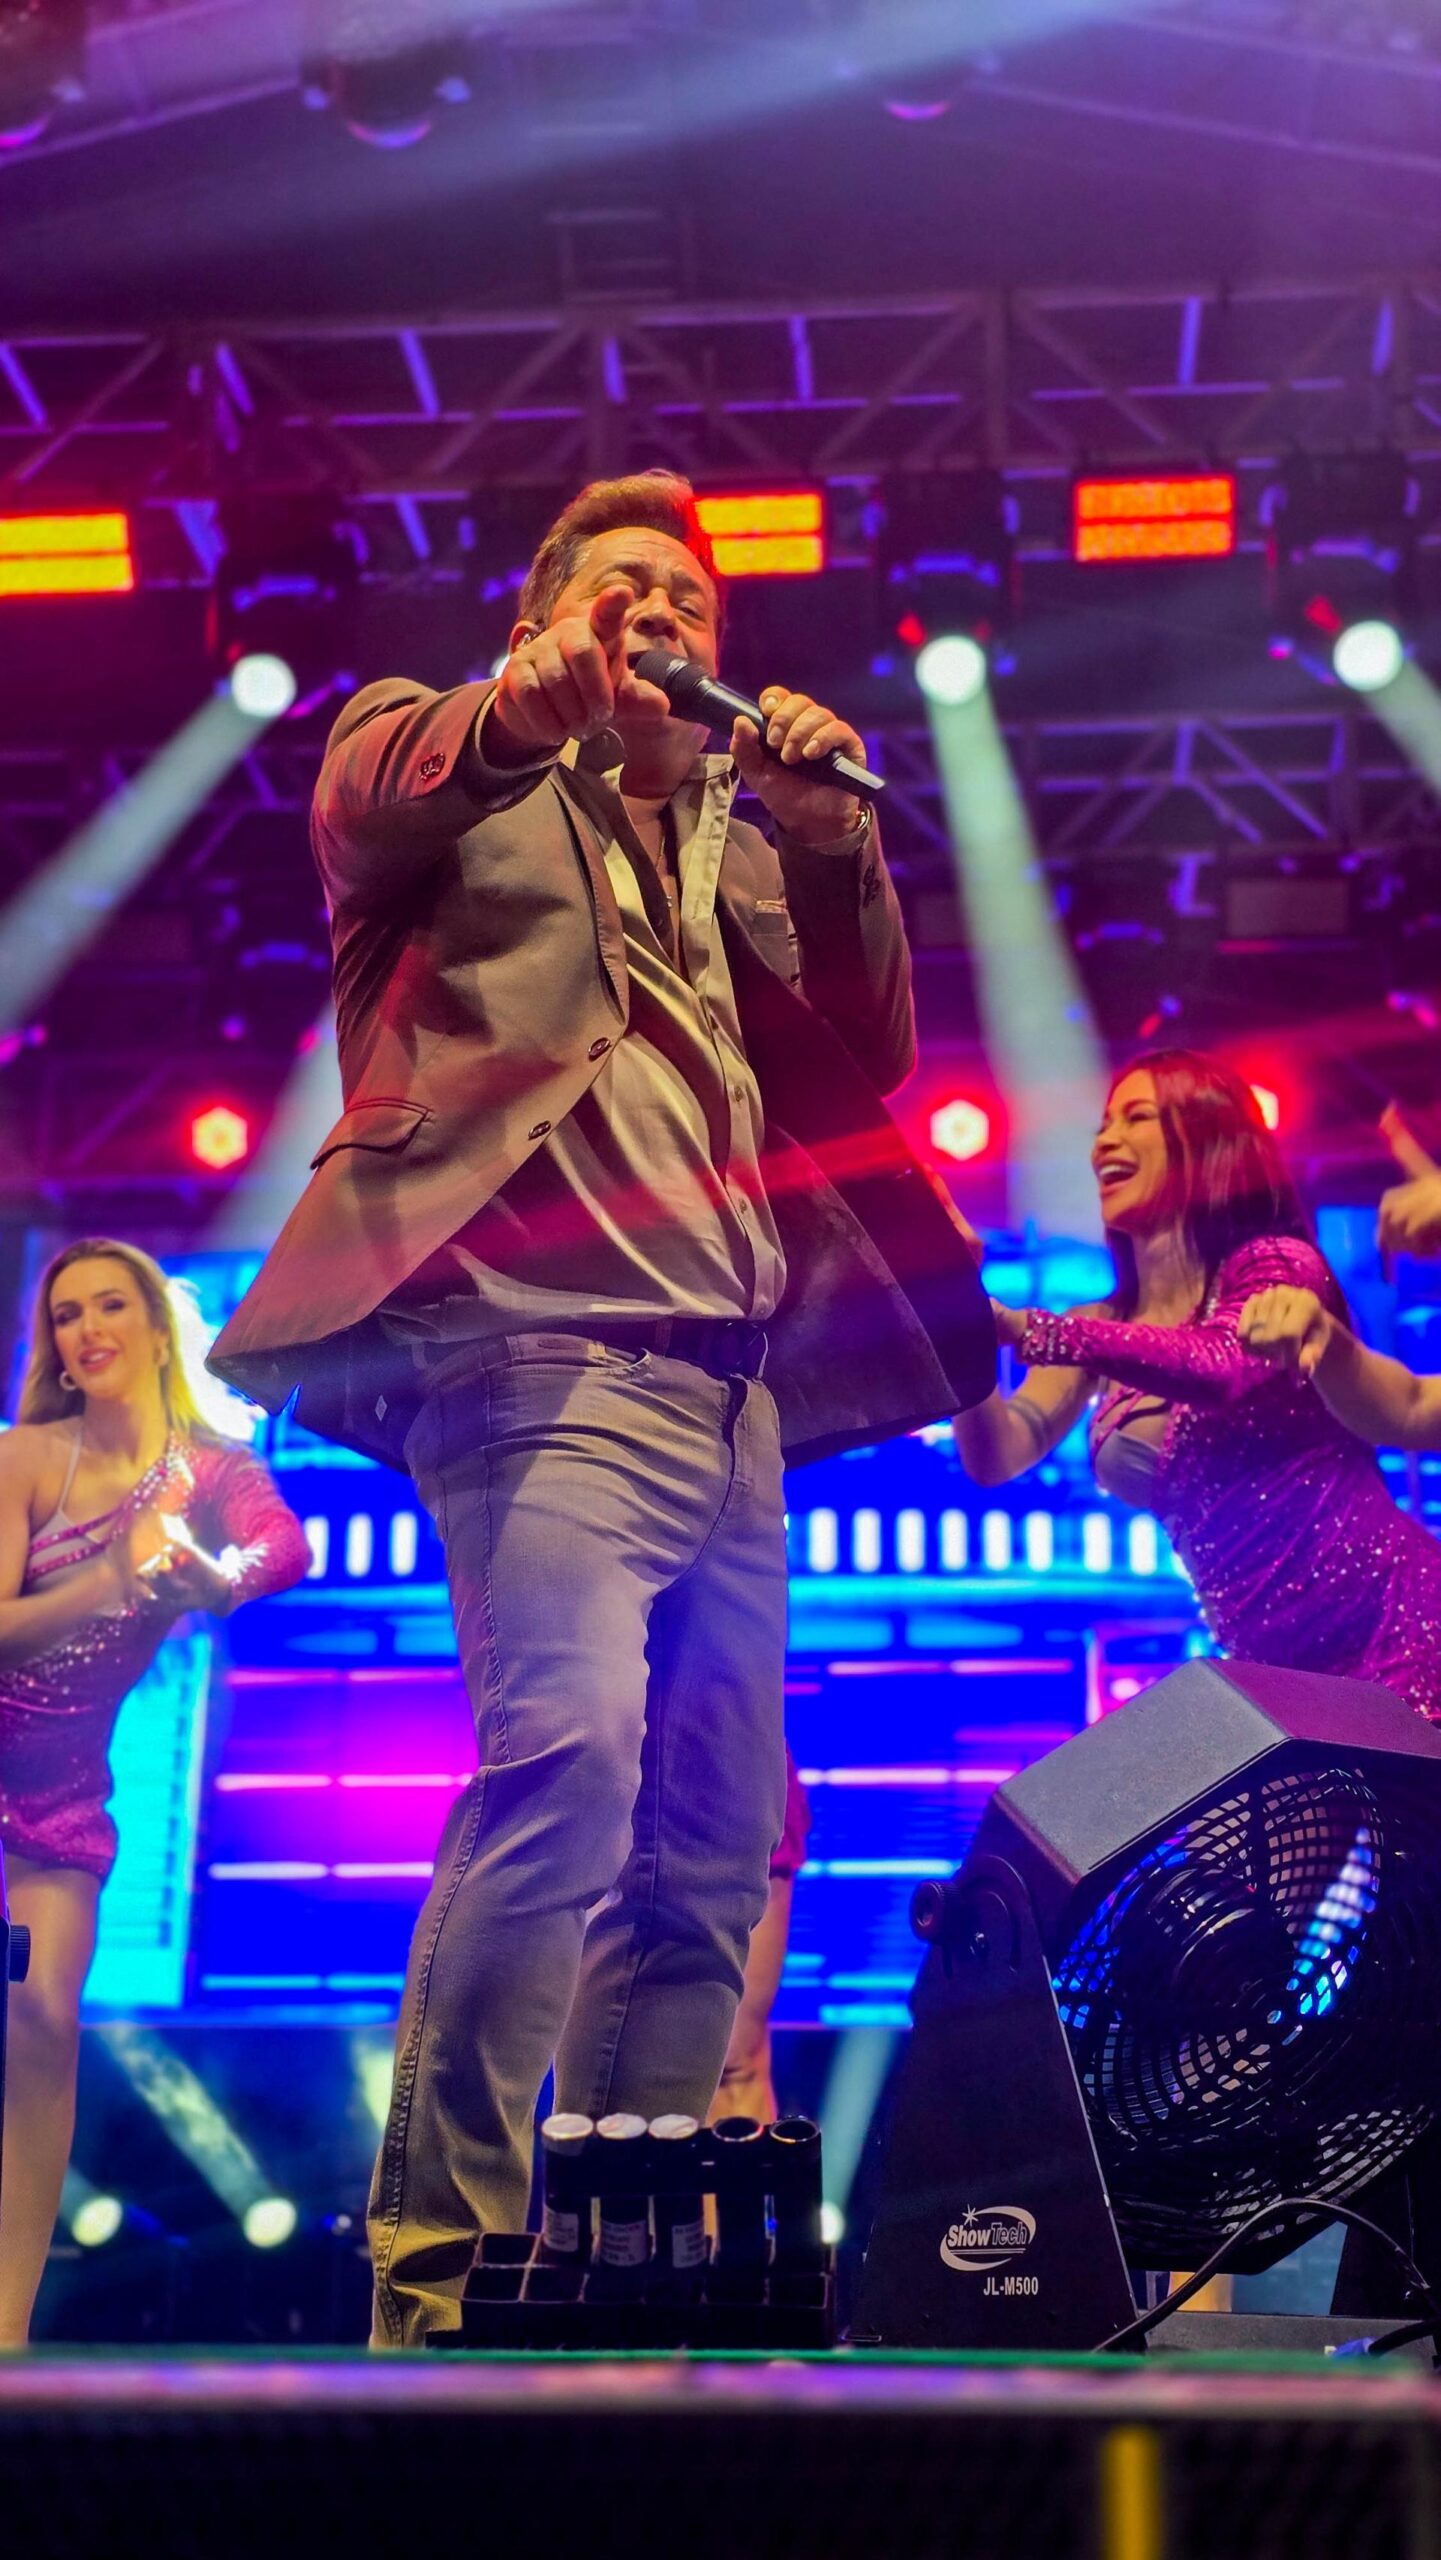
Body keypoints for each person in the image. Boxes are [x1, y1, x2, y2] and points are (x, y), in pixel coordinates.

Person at [208, 468, 993, 2343]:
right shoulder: (445, 759)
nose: (665, 617)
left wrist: (828, 839)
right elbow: (366, 796)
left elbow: (871, 1059)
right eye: (624, 588)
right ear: (543, 619)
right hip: (535, 1352)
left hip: (735, 1397)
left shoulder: (736, 844)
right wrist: (525, 708)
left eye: (692, 602)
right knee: (563, 1769)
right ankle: (440, 2282)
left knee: (709, 1851)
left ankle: (626, 2278)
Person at [0, 1240, 308, 2346]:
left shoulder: (210, 1471)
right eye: (67, 1313)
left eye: (110, 1305)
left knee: (43, 2025)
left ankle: (6, 2338)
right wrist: (110, 1575)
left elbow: (283, 1547)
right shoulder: (27, 1456)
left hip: (57, 1800)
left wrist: (214, 1582)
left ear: (156, 1328)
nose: (88, 1330)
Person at [954, 1049, 1441, 1720]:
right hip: (1279, 1685)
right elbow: (996, 1454)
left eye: (1137, 1117)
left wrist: (1031, 1329)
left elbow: (1219, 1366)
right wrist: (957, 1314)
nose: (1105, 1141)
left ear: (1208, 1143)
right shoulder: (1104, 1326)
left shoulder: (1275, 1266)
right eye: (1103, 1124)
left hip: (1400, 1633)